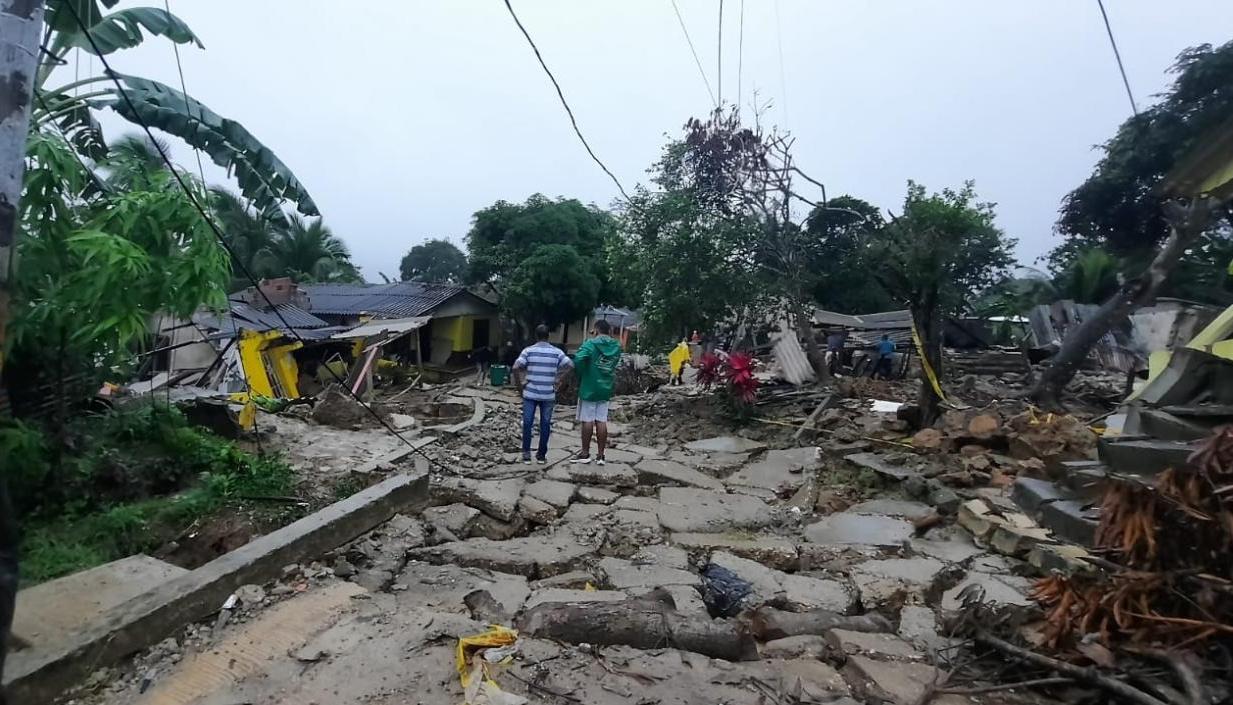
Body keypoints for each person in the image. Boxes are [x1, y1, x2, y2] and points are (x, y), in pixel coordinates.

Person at [512, 325, 572, 464]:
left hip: (530, 393)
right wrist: (559, 379)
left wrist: (520, 384)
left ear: (536, 335)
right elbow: (570, 365)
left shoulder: (528, 351)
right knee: (545, 425)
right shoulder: (556, 352)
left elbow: (516, 367)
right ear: (548, 336)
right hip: (548, 395)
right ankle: (541, 456)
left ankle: (526, 454)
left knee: (527, 423)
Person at [572, 319, 622, 465]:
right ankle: (600, 455)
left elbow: (578, 359)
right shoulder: (616, 346)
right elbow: (614, 363)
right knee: (601, 420)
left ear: (596, 330)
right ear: (609, 331)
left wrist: (582, 373)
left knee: (587, 420)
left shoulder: (591, 344)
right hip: (605, 386)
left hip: (589, 385)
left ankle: (585, 453)